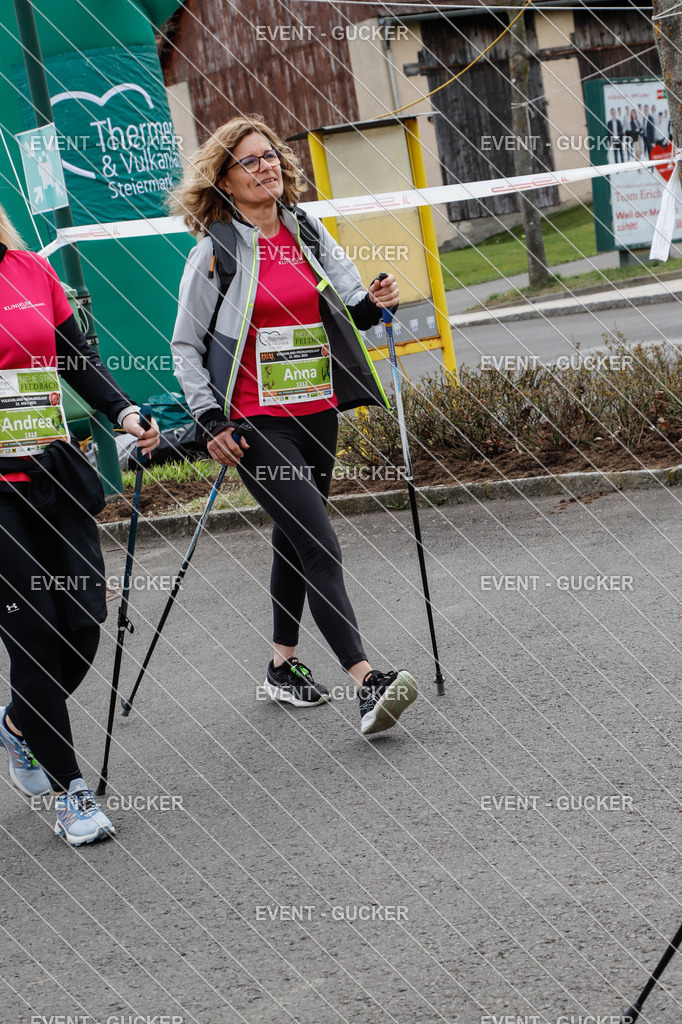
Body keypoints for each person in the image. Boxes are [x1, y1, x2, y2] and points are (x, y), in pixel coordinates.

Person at [169, 115, 419, 736]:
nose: (268, 167)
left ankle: (282, 666)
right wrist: (209, 422)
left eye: (272, 156)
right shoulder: (215, 253)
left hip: (316, 410)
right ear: (224, 179)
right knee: (319, 540)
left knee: (293, 534)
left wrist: (379, 300)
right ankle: (366, 681)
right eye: (251, 161)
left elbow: (357, 311)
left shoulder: (305, 232)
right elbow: (183, 346)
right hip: (255, 423)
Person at [0, 204, 159, 845]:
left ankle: (18, 722)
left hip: (52, 472)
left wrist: (123, 413)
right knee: (33, 636)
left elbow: (75, 360)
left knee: (84, 624)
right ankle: (73, 795)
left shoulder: (31, 270)